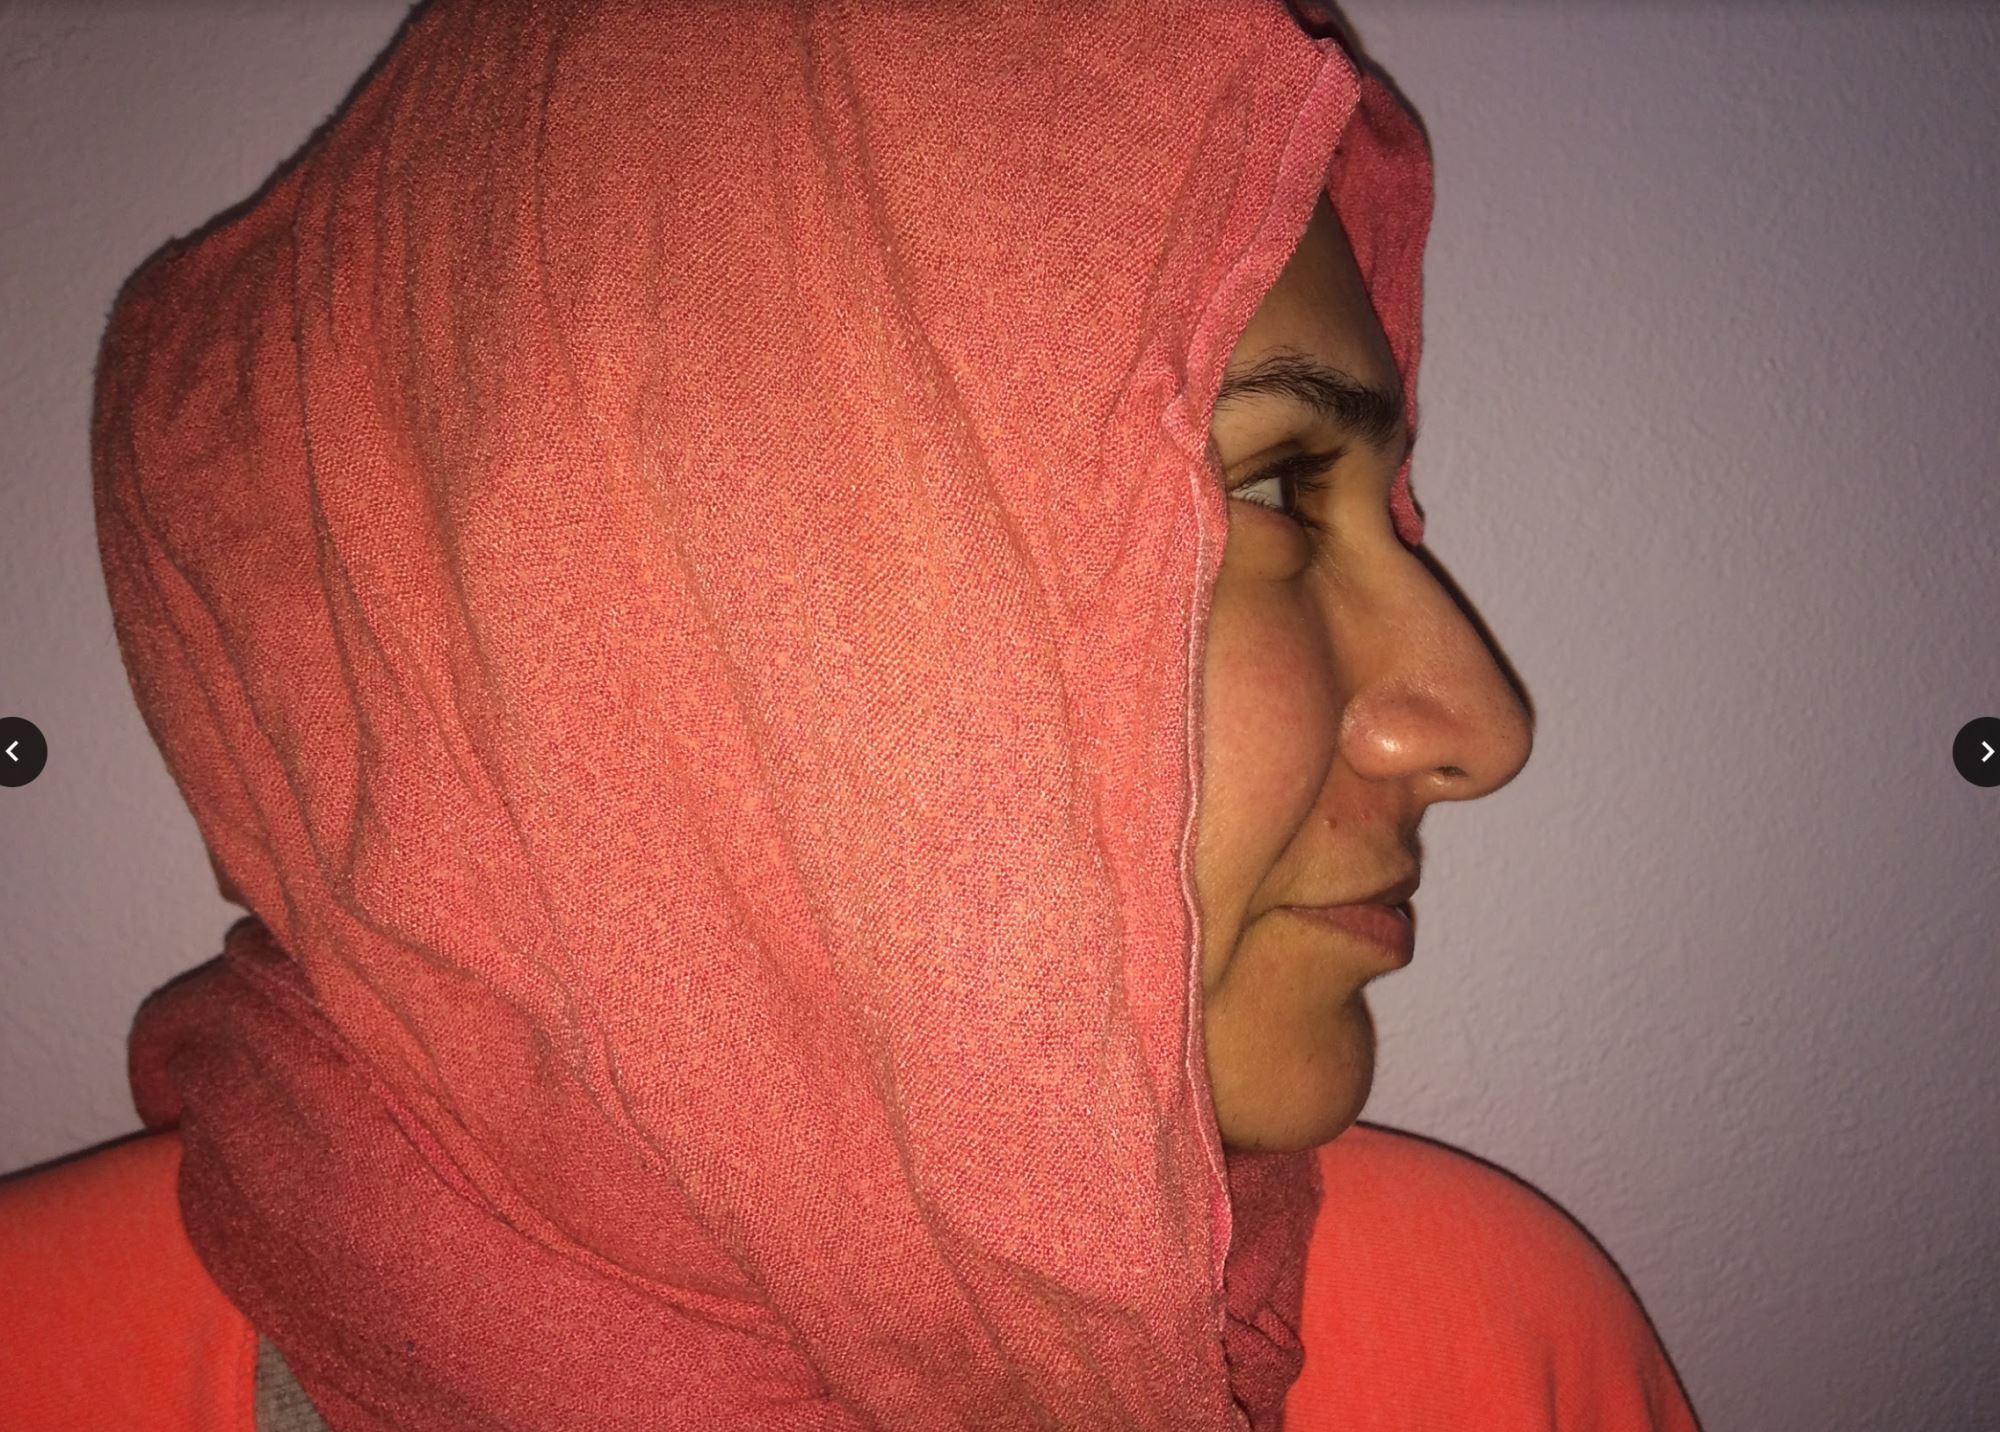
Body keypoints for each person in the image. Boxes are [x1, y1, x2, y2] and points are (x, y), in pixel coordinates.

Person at [2, 1, 1699, 1428]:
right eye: (1264, 489)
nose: (1479, 724)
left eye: (1385, 508)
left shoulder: (1488, 1348)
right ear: (678, 616)